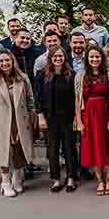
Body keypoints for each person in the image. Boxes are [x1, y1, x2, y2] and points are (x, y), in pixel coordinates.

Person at [0, 51, 36, 198]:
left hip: (20, 121)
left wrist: (32, 119)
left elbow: (30, 100)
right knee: (4, 151)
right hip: (1, 122)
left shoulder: (23, 78)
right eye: (1, 61)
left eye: (7, 60)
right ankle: (5, 182)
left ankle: (16, 178)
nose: (5, 63)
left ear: (12, 61)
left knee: (18, 149)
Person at [75, 45, 109, 196]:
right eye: (92, 57)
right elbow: (77, 101)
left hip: (105, 115)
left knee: (107, 148)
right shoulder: (81, 76)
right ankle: (100, 180)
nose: (94, 59)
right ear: (87, 58)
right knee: (94, 148)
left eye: (97, 57)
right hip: (88, 117)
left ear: (102, 58)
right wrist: (79, 122)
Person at [35, 46, 78, 193]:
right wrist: (40, 116)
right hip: (49, 117)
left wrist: (76, 118)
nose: (58, 59)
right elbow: (38, 98)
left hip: (68, 117)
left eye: (61, 56)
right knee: (52, 149)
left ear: (65, 57)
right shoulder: (42, 75)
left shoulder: (72, 74)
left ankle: (71, 178)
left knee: (69, 148)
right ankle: (56, 179)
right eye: (55, 57)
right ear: (50, 59)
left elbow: (76, 98)